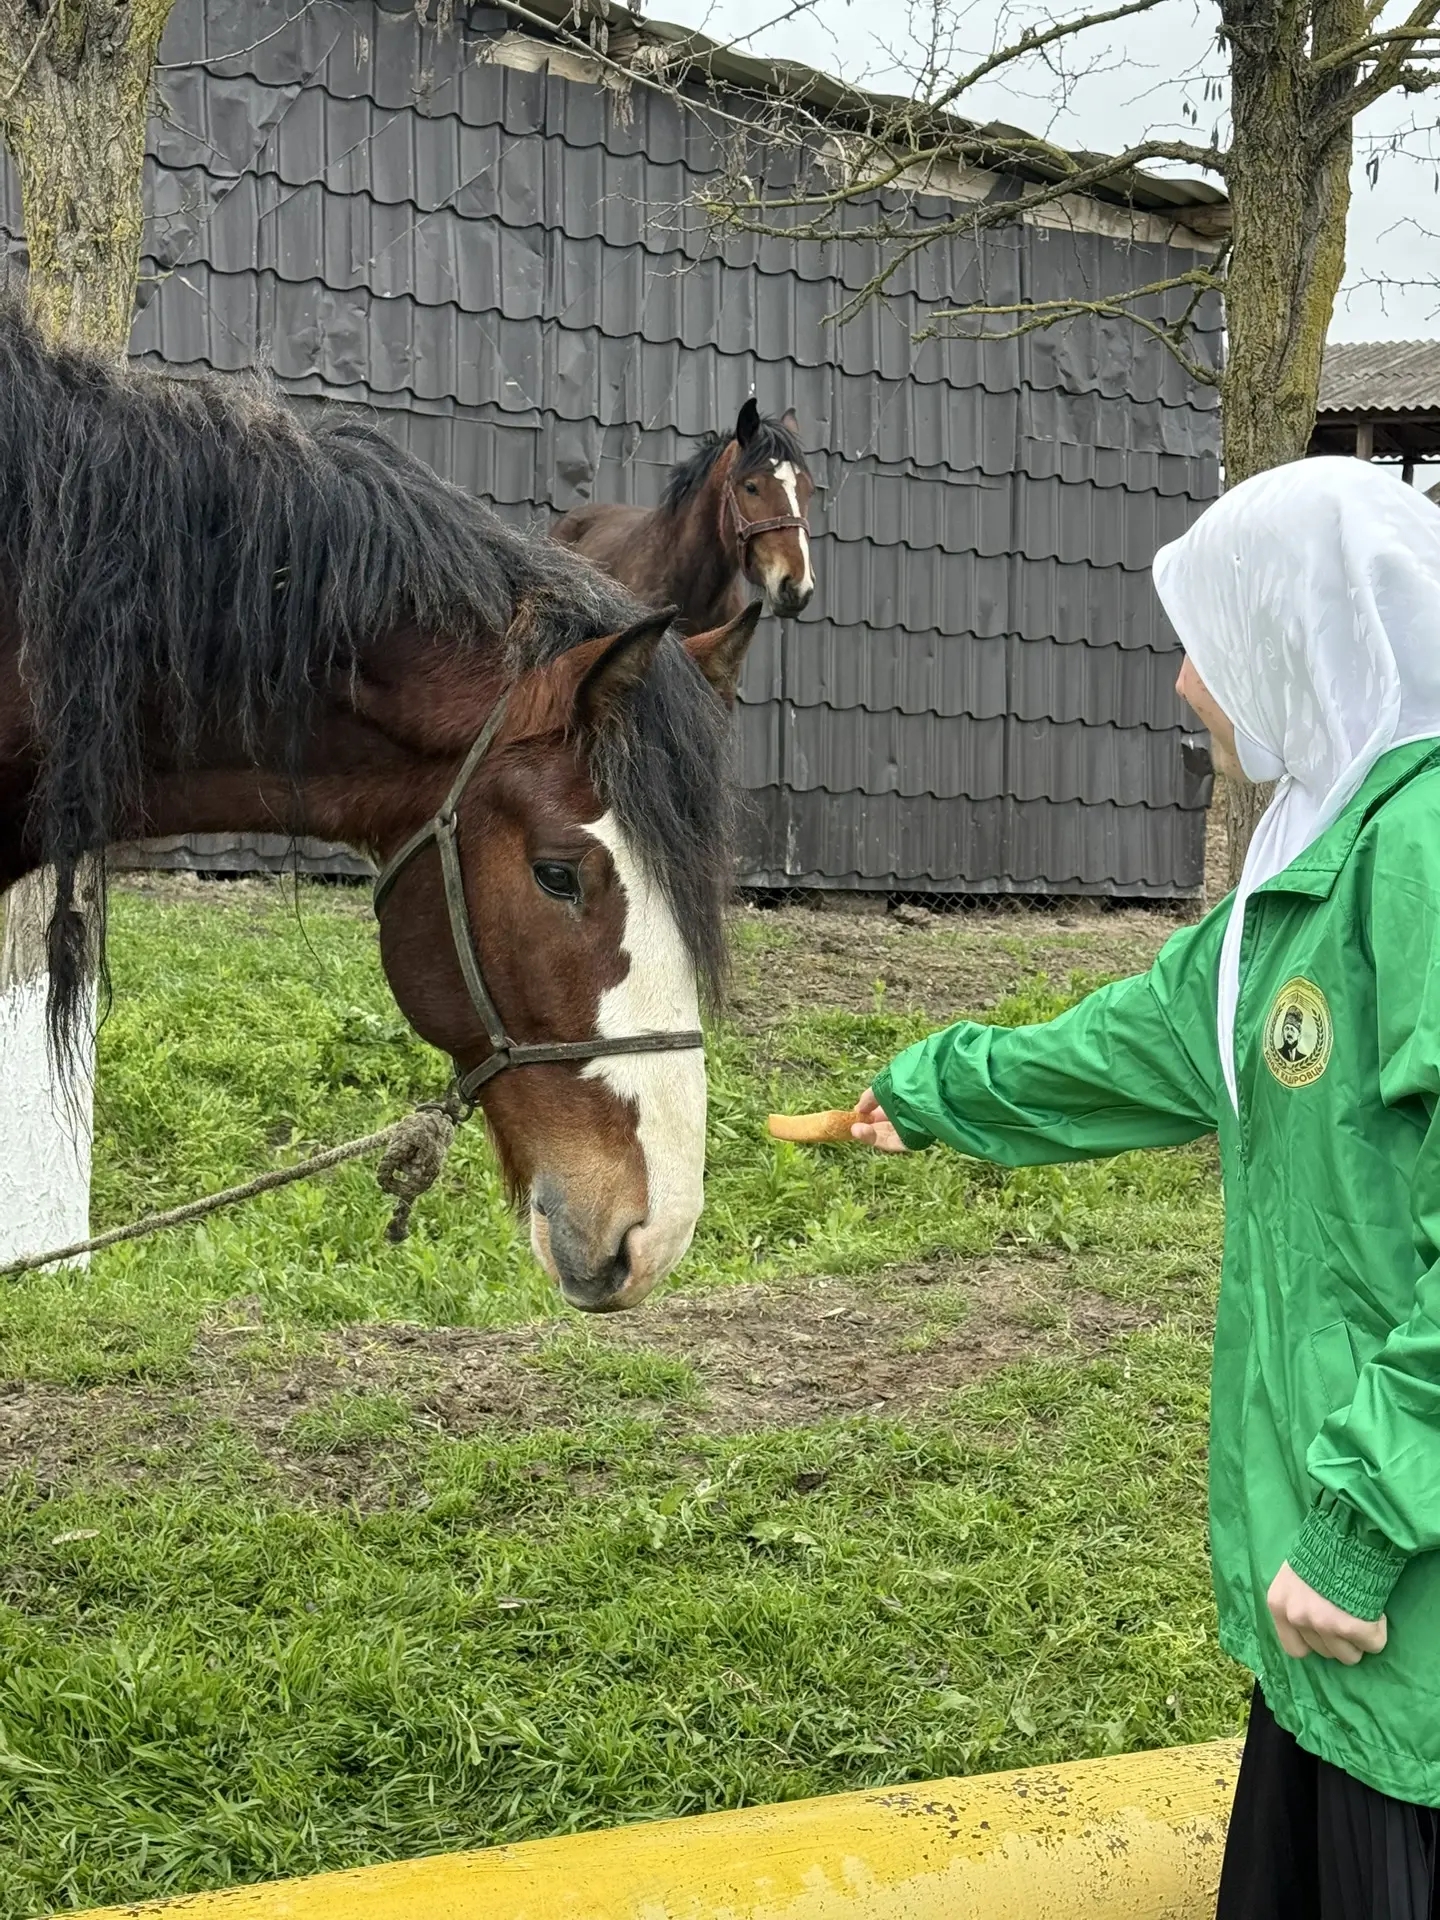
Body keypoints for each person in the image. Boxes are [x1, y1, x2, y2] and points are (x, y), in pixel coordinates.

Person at [853, 457, 1440, 1919]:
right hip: (1333, 1620)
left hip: (1393, 1594)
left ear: (1303, 638)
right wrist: (931, 1092)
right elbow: (1147, 1038)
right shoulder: (1311, 853)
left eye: (1210, 641)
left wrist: (1364, 1527)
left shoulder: (1423, 855)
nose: (1184, 682)